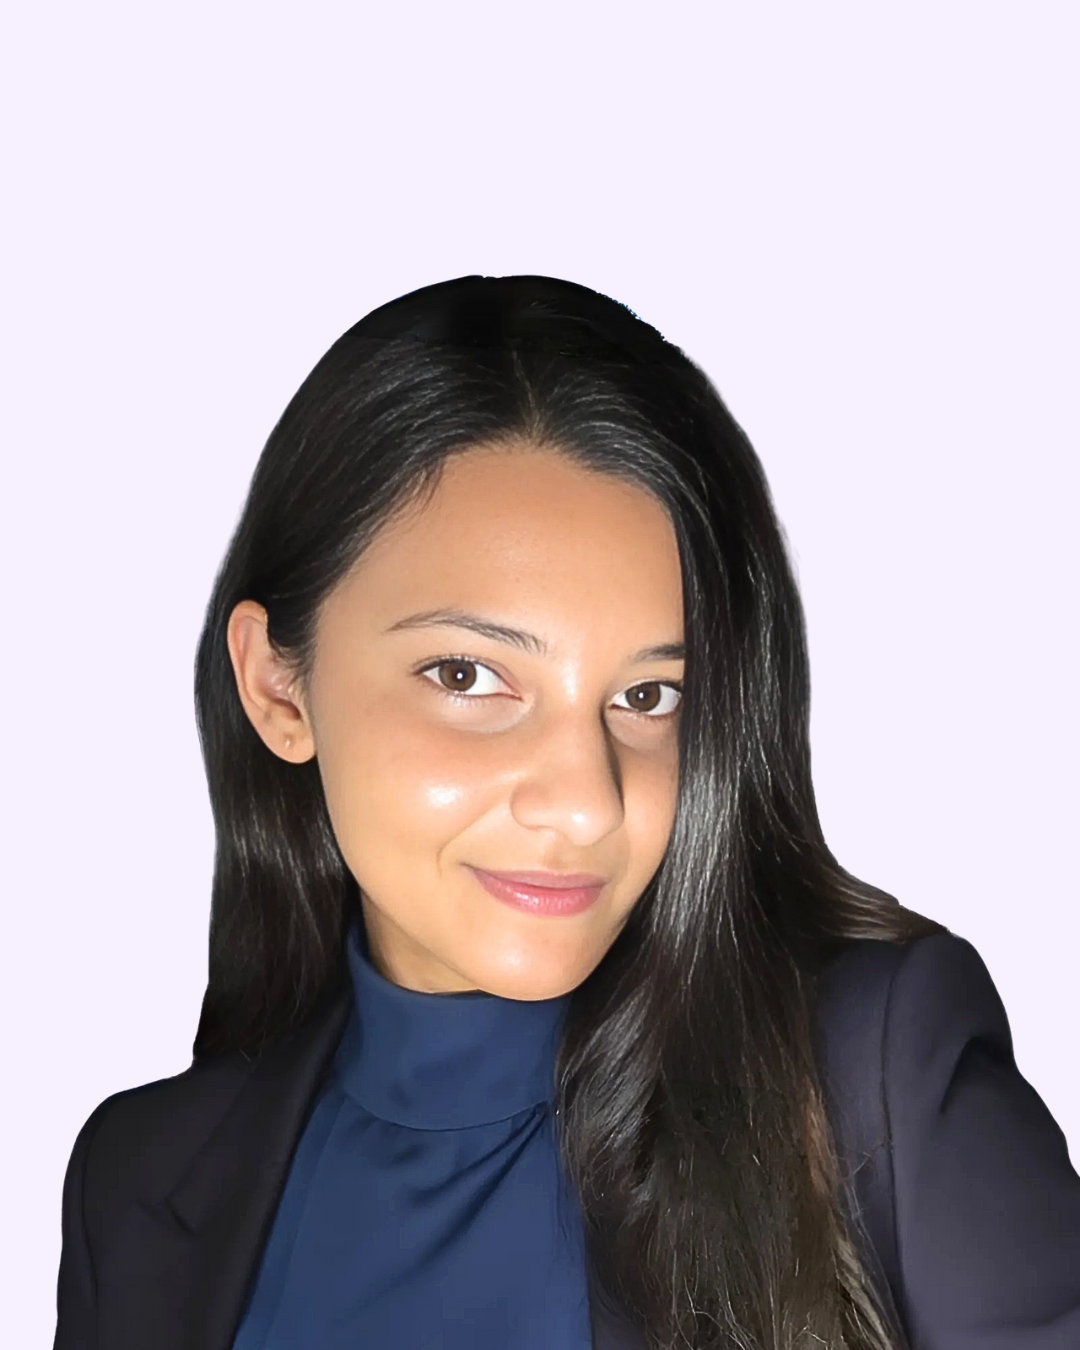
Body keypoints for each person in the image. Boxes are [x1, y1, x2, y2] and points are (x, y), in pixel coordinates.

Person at [53, 276, 1080, 1350]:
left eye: (648, 697)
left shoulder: (876, 1083)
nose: (586, 802)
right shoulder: (138, 1181)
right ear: (277, 687)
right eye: (467, 675)